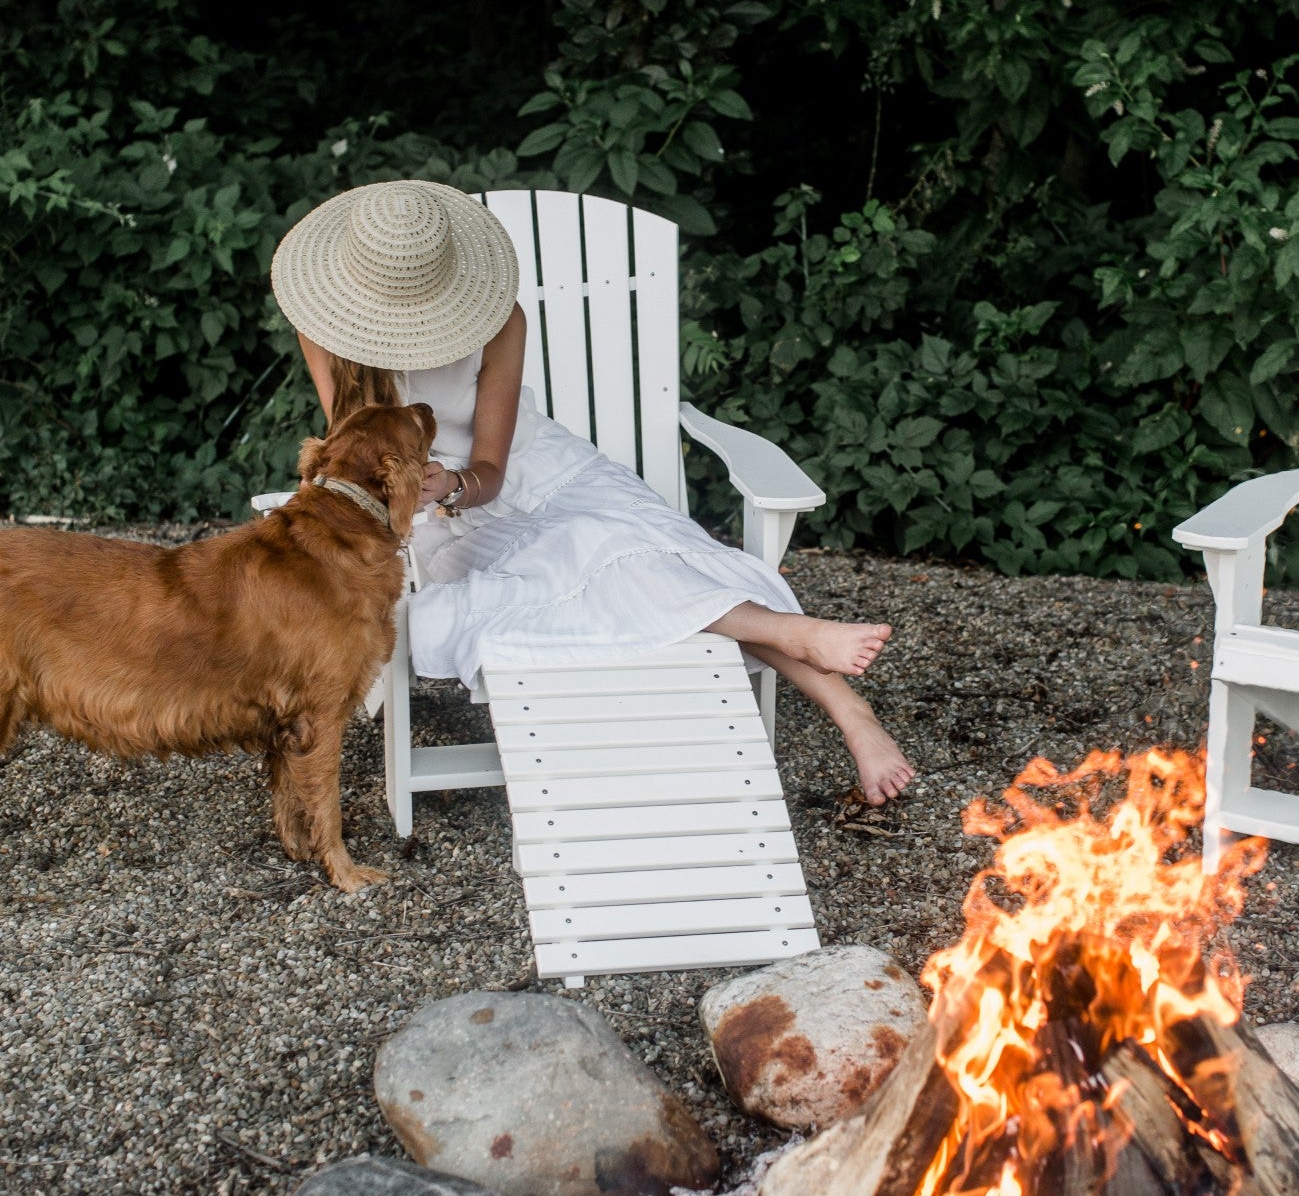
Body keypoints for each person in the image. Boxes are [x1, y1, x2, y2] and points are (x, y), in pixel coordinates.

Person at [270, 180, 914, 803]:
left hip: (530, 472)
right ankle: (815, 662)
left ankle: (845, 705)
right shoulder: (328, 332)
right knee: (591, 556)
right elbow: (360, 454)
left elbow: (491, 469)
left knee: (638, 545)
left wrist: (459, 482)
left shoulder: (499, 321)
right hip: (432, 513)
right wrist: (429, 491)